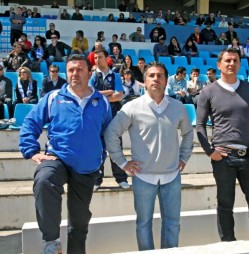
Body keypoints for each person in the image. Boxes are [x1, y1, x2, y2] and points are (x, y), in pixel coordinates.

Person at [19, 54, 111, 254]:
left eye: (79, 69)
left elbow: (107, 133)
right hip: (57, 157)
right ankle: (51, 242)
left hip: (87, 166)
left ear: (89, 72)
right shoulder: (53, 98)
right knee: (44, 180)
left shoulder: (102, 102)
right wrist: (31, 151)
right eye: (70, 70)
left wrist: (100, 157)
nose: (74, 74)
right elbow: (30, 122)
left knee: (79, 224)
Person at [104, 61, 193, 251]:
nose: (156, 79)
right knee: (143, 224)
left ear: (166, 80)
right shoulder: (132, 107)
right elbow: (111, 132)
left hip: (172, 176)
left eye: (160, 75)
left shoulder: (178, 107)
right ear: (144, 80)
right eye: (151, 75)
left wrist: (184, 157)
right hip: (143, 177)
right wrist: (122, 162)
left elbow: (188, 133)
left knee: (173, 224)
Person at [197, 48, 249, 241]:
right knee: (225, 204)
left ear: (240, 64)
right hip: (223, 158)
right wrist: (209, 151)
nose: (231, 64)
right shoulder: (208, 91)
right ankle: (228, 244)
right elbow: (200, 125)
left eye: (235, 60)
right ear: (219, 64)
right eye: (227, 60)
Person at [88, 49, 129, 190]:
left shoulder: (115, 75)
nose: (97, 60)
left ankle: (121, 178)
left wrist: (101, 96)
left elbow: (119, 96)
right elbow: (91, 95)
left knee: (115, 146)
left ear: (107, 59)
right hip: (97, 116)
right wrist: (109, 92)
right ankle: (97, 180)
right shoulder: (93, 76)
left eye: (100, 57)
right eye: (95, 58)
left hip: (113, 115)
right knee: (97, 149)